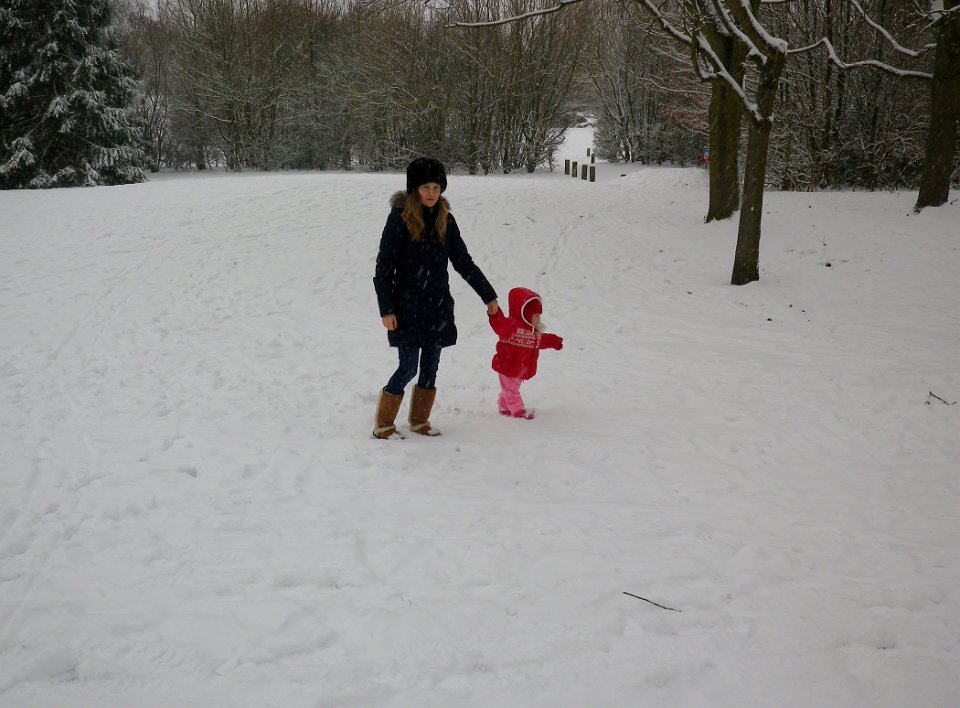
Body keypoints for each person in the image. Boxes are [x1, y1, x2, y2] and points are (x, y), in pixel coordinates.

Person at [372, 157, 499, 439]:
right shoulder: (399, 219)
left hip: (437, 307)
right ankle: (383, 423)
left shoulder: (446, 220)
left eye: (436, 187)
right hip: (406, 308)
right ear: (414, 189)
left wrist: (488, 295)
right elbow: (383, 269)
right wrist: (387, 309)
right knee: (408, 367)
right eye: (425, 187)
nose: (431, 193)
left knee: (431, 367)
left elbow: (463, 261)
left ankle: (420, 421)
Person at [488, 287, 563, 420]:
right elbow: (499, 324)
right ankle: (518, 411)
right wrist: (495, 313)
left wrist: (554, 341)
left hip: (517, 369)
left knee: (509, 389)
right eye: (536, 315)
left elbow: (541, 340)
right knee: (511, 391)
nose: (538, 318)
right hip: (508, 367)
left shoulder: (531, 333)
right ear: (525, 314)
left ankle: (504, 406)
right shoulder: (510, 327)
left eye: (539, 315)